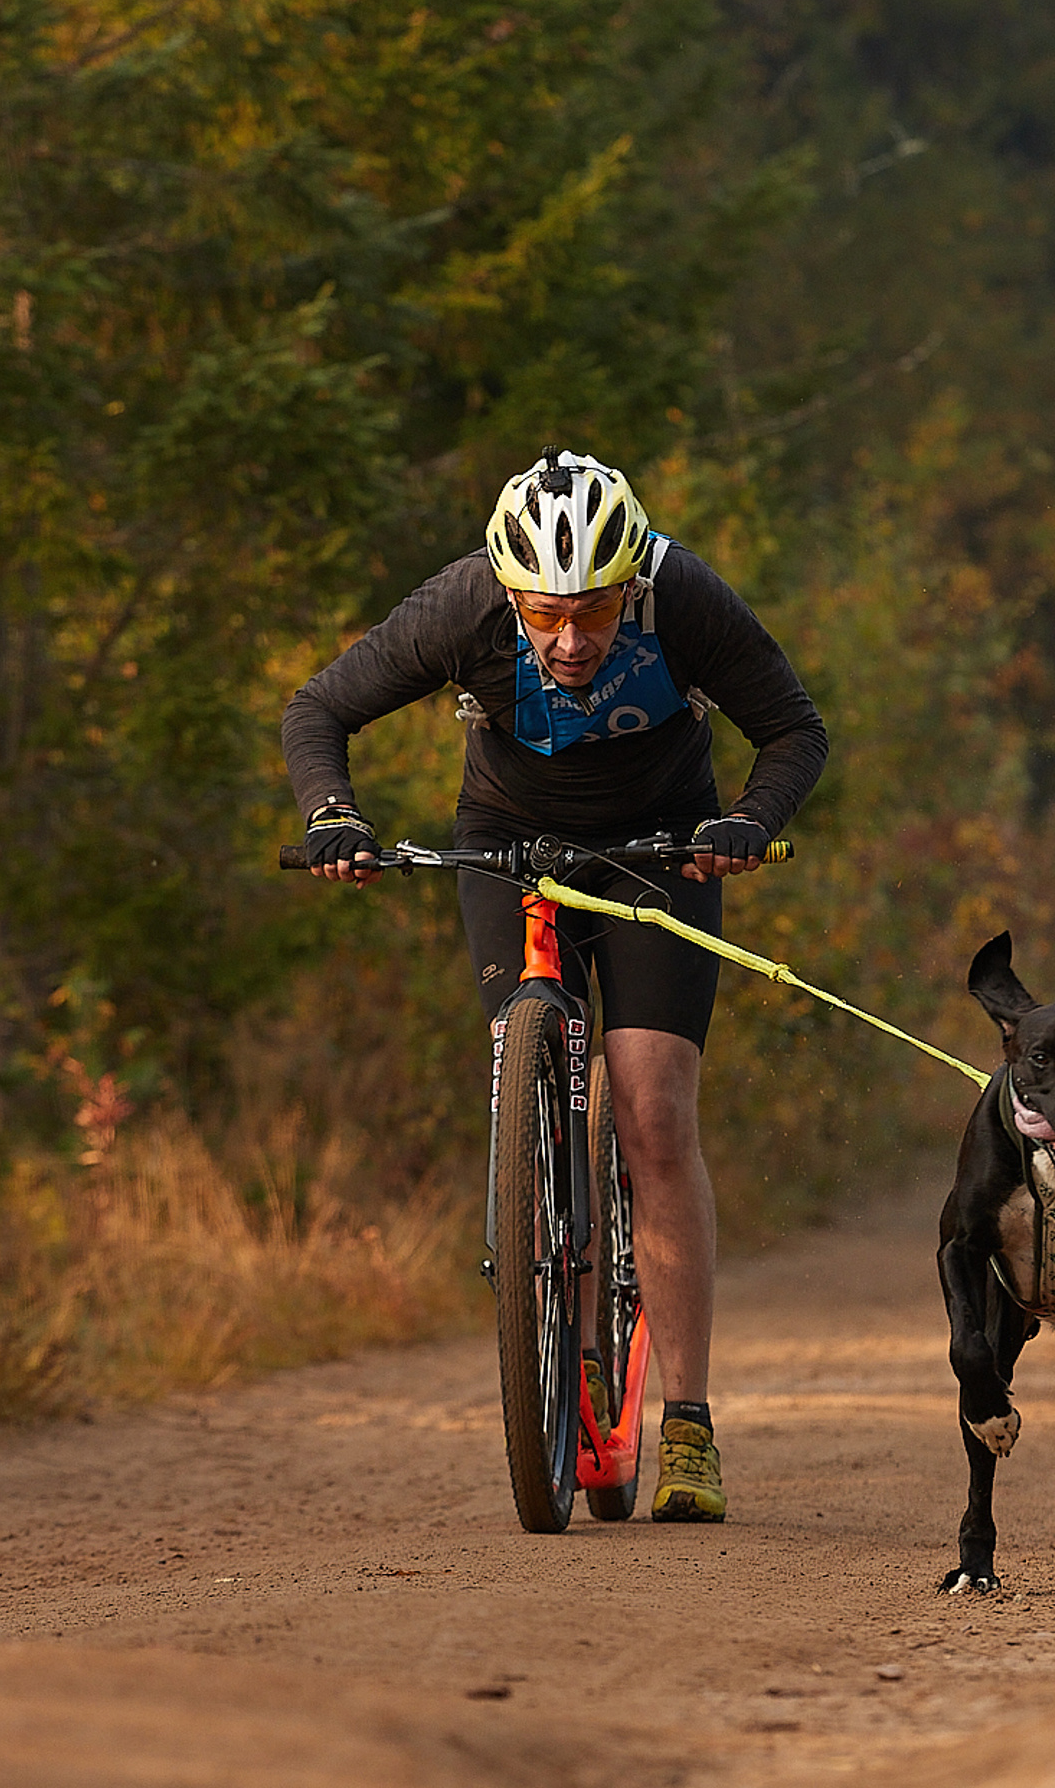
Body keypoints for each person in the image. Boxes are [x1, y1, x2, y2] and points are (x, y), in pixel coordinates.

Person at [282, 446, 828, 1522]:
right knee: (547, 1069)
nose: (570, 640)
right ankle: (560, 1317)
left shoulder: (688, 600)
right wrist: (331, 817)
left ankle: (688, 1427)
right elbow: (317, 712)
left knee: (654, 1115)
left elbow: (794, 732)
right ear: (509, 592)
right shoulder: (463, 607)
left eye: (593, 612)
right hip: (508, 844)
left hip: (663, 849)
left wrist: (747, 827)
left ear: (632, 585)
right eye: (545, 615)